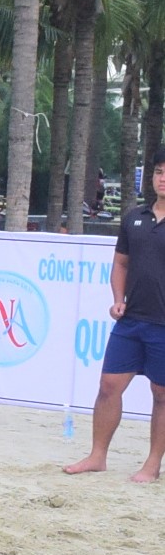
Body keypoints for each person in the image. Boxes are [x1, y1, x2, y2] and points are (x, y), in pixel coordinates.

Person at [65, 153, 165, 483]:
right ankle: (97, 456)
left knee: (162, 394)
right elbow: (120, 263)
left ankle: (152, 464)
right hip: (131, 319)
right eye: (158, 172)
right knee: (108, 386)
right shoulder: (134, 217)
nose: (162, 178)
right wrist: (117, 300)